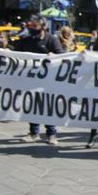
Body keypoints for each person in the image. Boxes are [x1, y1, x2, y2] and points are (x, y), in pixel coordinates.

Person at [13, 15, 65, 144]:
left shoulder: (51, 40)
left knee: (48, 106)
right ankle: (34, 133)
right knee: (32, 106)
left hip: (48, 81)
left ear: (43, 27)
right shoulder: (26, 40)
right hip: (31, 80)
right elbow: (15, 54)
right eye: (30, 26)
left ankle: (51, 134)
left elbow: (62, 55)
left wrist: (54, 56)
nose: (31, 28)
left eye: (35, 26)